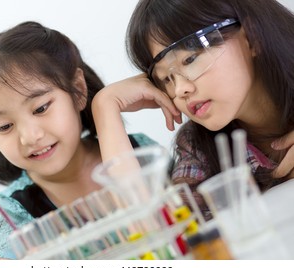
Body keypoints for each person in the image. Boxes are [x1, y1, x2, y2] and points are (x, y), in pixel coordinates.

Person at [0, 21, 157, 259]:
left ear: (78, 91)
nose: (31, 137)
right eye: (4, 126)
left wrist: (105, 107)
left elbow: (154, 232)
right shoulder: (8, 214)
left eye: (40, 109)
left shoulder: (139, 152)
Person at [92, 0, 294, 217]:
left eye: (190, 59)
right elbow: (150, 228)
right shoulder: (199, 149)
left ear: (252, 37)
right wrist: (105, 106)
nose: (180, 90)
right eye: (165, 79)